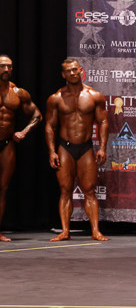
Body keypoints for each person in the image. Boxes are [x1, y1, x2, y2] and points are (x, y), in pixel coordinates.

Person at [45, 58, 108, 242]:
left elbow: (103, 122)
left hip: (86, 147)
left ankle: (95, 231)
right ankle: (65, 231)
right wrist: (52, 151)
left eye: (75, 69)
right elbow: (50, 126)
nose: (72, 73)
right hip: (65, 148)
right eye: (68, 71)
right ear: (63, 74)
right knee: (65, 190)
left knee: (89, 190)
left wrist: (102, 148)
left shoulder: (94, 95)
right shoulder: (56, 98)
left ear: (81, 70)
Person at [0, 55, 43, 241]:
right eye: (2, 66)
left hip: (6, 144)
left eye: (9, 66)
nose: (6, 70)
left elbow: (37, 115)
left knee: (3, 188)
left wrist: (24, 131)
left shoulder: (18, 93)